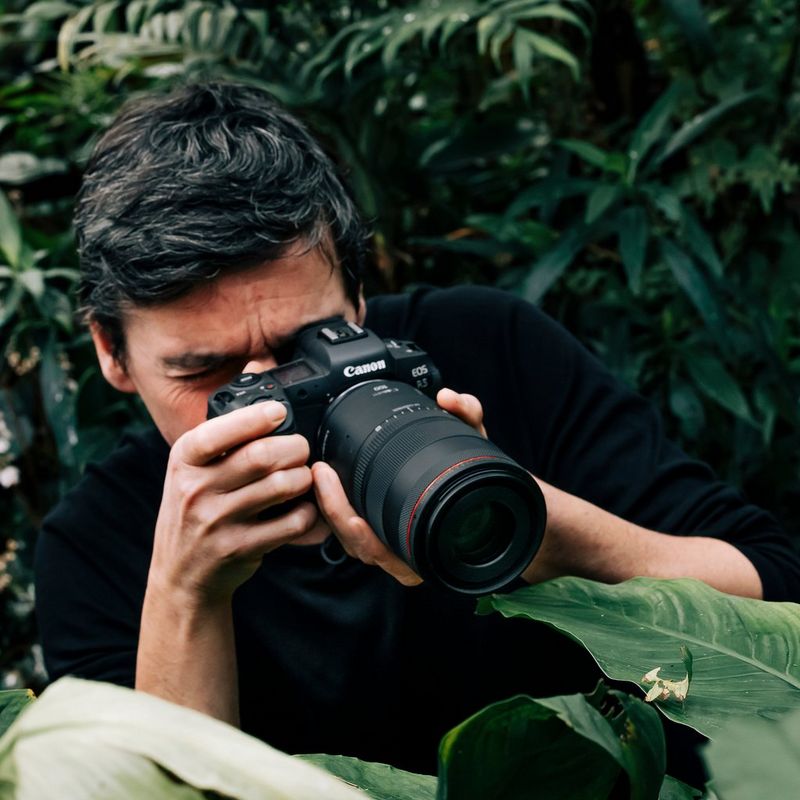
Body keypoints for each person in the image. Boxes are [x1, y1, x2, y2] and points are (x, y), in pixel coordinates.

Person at [35, 82, 800, 774]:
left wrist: (517, 510)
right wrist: (187, 591)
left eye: (309, 347)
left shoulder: (490, 347)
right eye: (206, 371)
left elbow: (773, 607)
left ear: (358, 298)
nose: (267, 406)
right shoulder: (96, 543)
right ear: (111, 352)